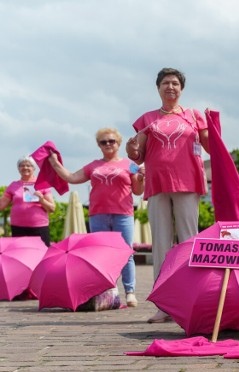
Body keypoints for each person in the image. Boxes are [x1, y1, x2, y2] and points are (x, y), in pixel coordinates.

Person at [126, 67, 210, 323]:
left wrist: (213, 127)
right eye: (165, 83)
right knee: (161, 243)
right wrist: (131, 148)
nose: (170, 87)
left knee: (189, 240)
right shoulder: (148, 119)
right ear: (158, 88)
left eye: (175, 83)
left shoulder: (194, 116)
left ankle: (193, 299)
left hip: (188, 181)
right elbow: (136, 154)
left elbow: (210, 146)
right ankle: (164, 304)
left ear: (181, 88)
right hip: (158, 182)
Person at [48, 128, 144, 308]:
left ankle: (130, 291)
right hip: (98, 214)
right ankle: (109, 290)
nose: (108, 144)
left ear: (118, 143)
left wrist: (141, 178)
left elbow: (138, 190)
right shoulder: (93, 165)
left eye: (112, 141)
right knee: (100, 255)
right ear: (98, 145)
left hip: (123, 213)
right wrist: (54, 163)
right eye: (103, 142)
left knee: (127, 253)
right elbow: (72, 177)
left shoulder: (129, 164)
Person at [0, 155, 56, 246]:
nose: (25, 167)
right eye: (22, 165)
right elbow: (1, 205)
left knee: (41, 255)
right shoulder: (13, 185)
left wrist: (41, 199)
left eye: (28, 165)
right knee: (19, 254)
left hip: (39, 227)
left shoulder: (42, 184)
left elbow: (52, 208)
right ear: (18, 169)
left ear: (34, 168)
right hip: (18, 227)